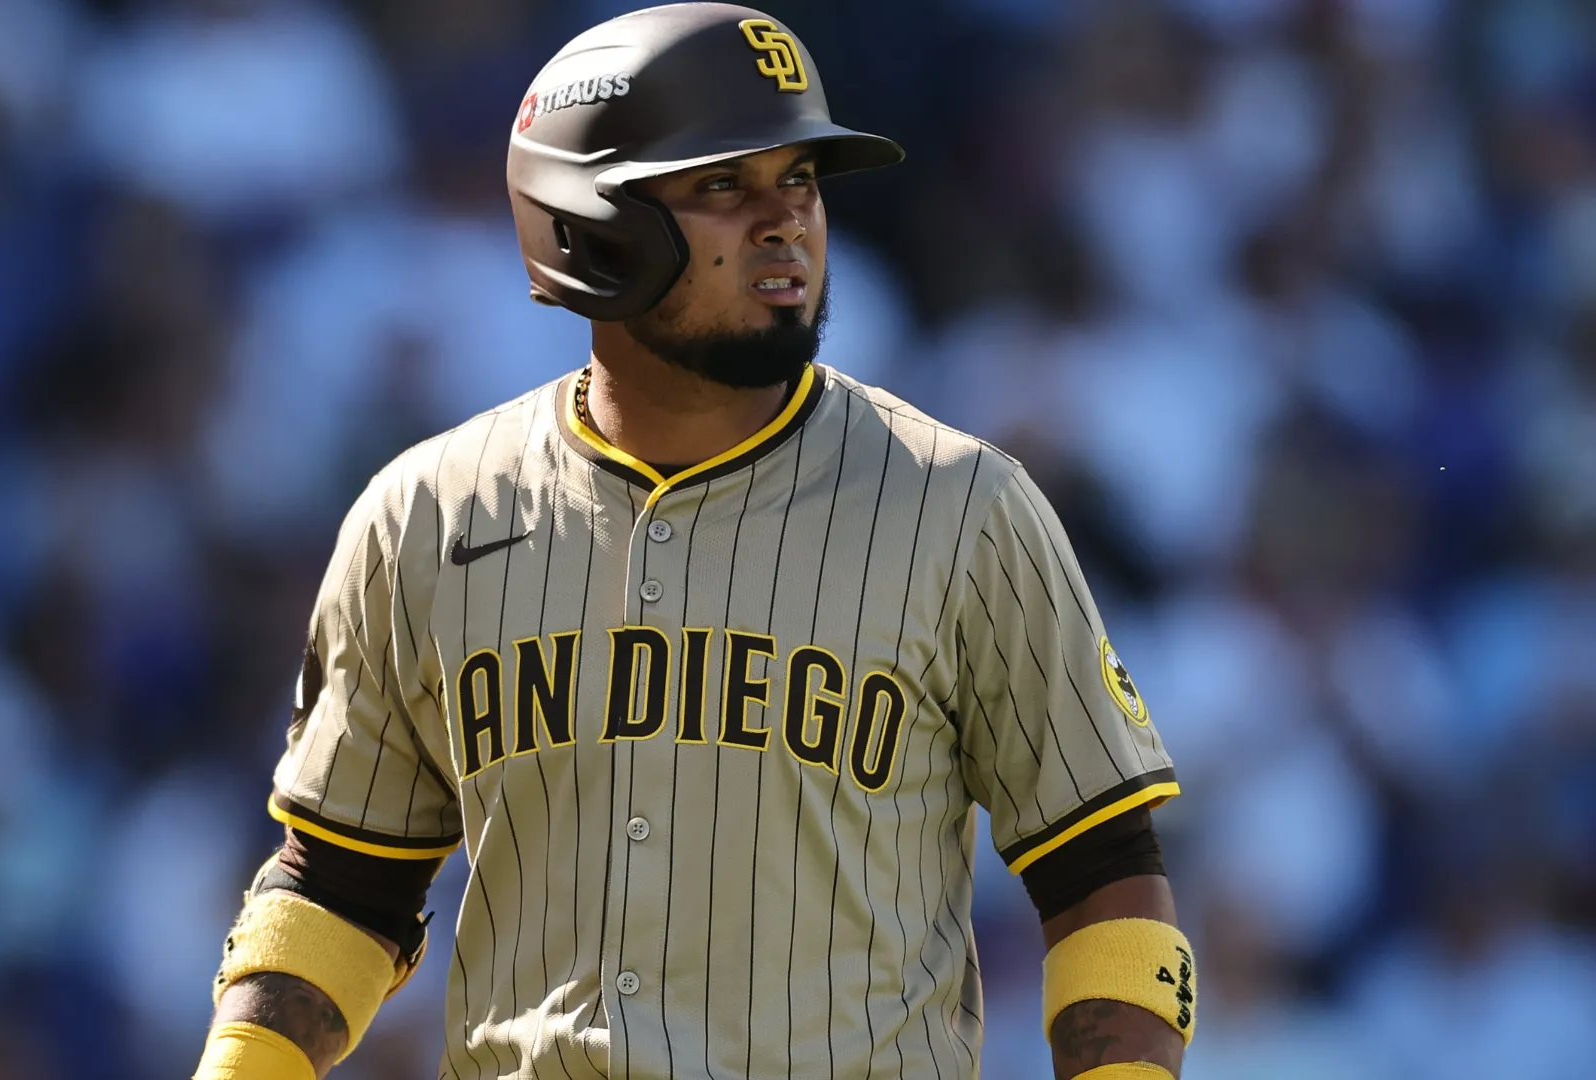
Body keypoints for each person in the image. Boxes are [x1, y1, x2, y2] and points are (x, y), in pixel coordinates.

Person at [194, 6, 1195, 1079]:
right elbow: (341, 887)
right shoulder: (428, 515)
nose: (787, 222)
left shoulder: (962, 507)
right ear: (586, 220)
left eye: (800, 180)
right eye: (724, 184)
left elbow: (1103, 874)